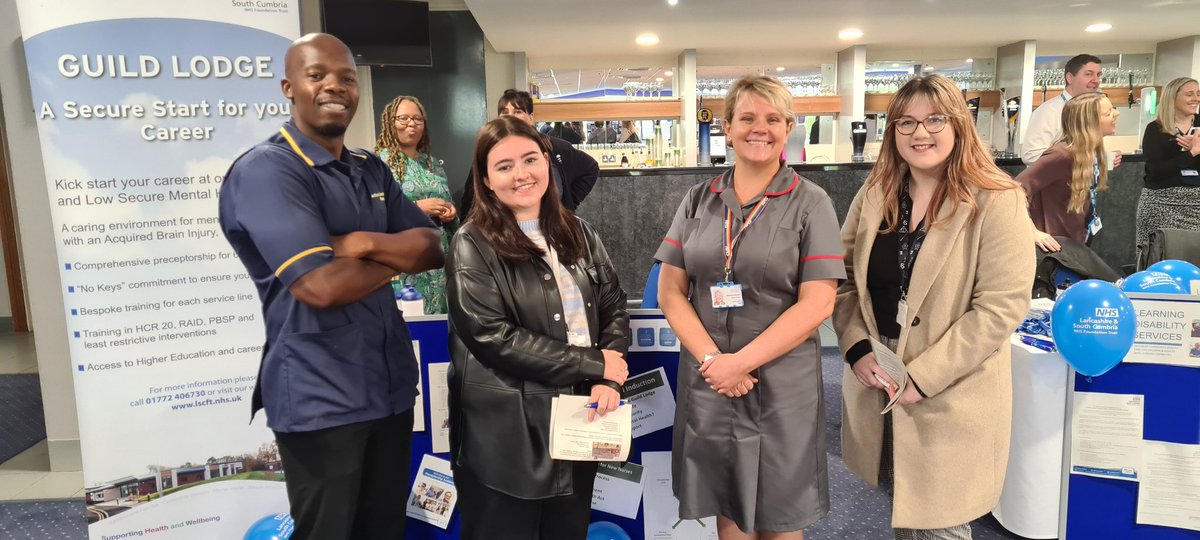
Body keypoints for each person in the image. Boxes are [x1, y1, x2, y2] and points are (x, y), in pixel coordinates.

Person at [218, 33, 443, 540]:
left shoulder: (369, 167)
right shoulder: (268, 171)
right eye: (317, 75)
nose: (334, 86)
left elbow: (431, 247)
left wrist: (360, 242)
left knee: (384, 530)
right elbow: (319, 286)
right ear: (288, 87)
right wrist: (394, 254)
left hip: (387, 389)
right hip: (321, 398)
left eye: (346, 78)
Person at [833, 74, 1035, 539]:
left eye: (934, 120)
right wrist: (856, 347)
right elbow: (841, 278)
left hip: (950, 382)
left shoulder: (997, 198)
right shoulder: (876, 192)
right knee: (906, 510)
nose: (920, 133)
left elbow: (1000, 307)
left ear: (959, 124)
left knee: (939, 523)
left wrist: (923, 379)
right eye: (906, 122)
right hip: (878, 371)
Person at [655, 75, 844, 539]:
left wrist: (740, 363)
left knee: (781, 513)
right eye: (747, 118)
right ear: (727, 127)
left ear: (789, 128)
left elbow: (819, 301)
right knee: (728, 504)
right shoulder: (698, 200)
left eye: (773, 119)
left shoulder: (811, 202)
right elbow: (670, 292)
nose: (760, 128)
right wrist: (714, 360)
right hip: (711, 379)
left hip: (780, 384)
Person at [446, 115, 630, 540]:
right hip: (506, 441)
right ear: (486, 180)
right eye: (504, 166)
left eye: (530, 159)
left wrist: (608, 380)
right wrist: (594, 364)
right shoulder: (471, 244)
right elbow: (493, 336)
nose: (521, 174)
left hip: (577, 426)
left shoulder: (580, 232)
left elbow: (613, 305)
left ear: (547, 161)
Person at [458, 89, 599, 218]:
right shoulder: (490, 152)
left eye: (518, 111)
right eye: (505, 112)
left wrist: (567, 204)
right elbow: (471, 201)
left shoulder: (556, 147)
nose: (521, 175)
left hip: (553, 226)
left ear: (531, 117)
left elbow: (591, 167)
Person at [376, 95, 458, 313]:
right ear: (390, 122)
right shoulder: (379, 164)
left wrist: (450, 211)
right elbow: (373, 213)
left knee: (441, 322)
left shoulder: (432, 163)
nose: (411, 124)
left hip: (439, 263)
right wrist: (419, 208)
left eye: (417, 119)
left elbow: (446, 198)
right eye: (403, 118)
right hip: (405, 263)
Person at [1016, 92, 1119, 252]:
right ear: (1090, 122)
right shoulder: (1062, 155)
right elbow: (1014, 190)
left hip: (1073, 243)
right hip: (1055, 249)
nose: (1116, 114)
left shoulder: (1090, 153)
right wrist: (1033, 231)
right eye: (1108, 113)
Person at [1137, 76, 1200, 254]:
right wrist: (1192, 153)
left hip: (1197, 205)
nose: (1196, 98)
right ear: (1173, 97)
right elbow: (1157, 170)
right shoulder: (1155, 129)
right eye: (1189, 94)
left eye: (1198, 93)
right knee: (1160, 255)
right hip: (1160, 203)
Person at [1022, 54, 1116, 166]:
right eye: (1088, 74)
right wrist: (1072, 157)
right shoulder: (1049, 112)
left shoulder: (1091, 110)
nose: (1096, 80)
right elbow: (1031, 155)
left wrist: (1103, 157)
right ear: (1070, 78)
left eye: (1098, 75)